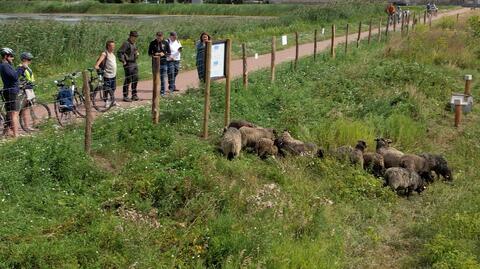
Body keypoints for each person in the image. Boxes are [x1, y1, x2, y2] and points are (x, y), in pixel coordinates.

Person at [0, 48, 20, 138]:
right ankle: (16, 135)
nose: (13, 58)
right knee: (14, 113)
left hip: (9, 90)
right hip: (11, 91)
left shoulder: (5, 65)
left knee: (9, 113)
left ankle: (8, 132)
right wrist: (20, 69)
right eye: (11, 56)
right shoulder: (5, 66)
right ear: (5, 56)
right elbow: (15, 77)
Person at [118, 31, 139, 102]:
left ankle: (134, 95)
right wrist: (123, 60)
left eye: (136, 37)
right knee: (128, 79)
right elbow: (120, 52)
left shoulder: (134, 43)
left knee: (136, 78)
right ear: (131, 36)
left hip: (134, 62)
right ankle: (125, 96)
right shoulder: (126, 43)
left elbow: (134, 50)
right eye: (134, 37)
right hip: (128, 64)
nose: (135, 38)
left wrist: (136, 53)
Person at [95, 40, 117, 107]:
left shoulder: (112, 54)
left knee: (113, 88)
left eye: (114, 45)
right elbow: (99, 61)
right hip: (107, 75)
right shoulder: (104, 53)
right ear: (108, 46)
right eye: (112, 46)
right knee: (107, 88)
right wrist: (97, 66)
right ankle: (106, 101)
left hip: (113, 74)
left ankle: (112, 101)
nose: (113, 47)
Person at [16, 52, 35, 131]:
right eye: (28, 59)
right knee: (22, 109)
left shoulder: (28, 67)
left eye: (31, 59)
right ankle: (23, 126)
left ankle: (28, 125)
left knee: (27, 108)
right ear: (23, 59)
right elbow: (17, 78)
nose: (30, 61)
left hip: (29, 89)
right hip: (24, 90)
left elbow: (30, 78)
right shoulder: (20, 67)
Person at [148, 31, 171, 96]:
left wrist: (164, 53)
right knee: (155, 78)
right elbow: (149, 53)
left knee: (163, 78)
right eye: (158, 37)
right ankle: (155, 91)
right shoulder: (152, 43)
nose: (159, 38)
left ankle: (162, 92)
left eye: (160, 37)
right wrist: (155, 54)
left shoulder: (166, 43)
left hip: (164, 63)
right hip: (155, 64)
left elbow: (169, 53)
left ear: (162, 36)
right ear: (156, 36)